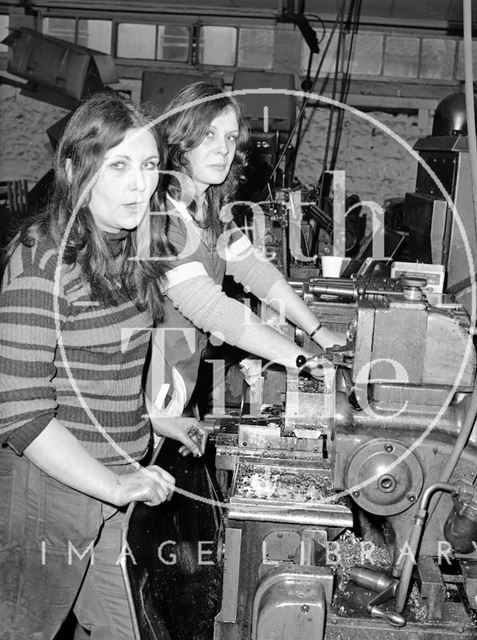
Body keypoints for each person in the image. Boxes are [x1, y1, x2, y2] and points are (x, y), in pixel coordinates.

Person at [0, 91, 205, 640]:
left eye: (147, 165)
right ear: (74, 168)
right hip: (55, 490)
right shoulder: (40, 262)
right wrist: (114, 486)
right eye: (118, 166)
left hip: (116, 487)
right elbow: (21, 413)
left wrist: (150, 421)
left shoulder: (128, 252)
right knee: (25, 628)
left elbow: (103, 368)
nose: (140, 184)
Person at [148, 81, 346, 414]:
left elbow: (256, 271)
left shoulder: (210, 210)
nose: (223, 149)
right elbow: (214, 310)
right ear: (181, 142)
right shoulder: (163, 221)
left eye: (229, 137)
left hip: (180, 373)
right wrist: (304, 359)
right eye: (209, 135)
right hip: (146, 382)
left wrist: (321, 333)